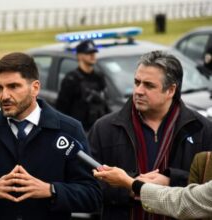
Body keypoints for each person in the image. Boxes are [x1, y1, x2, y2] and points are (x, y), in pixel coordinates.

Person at [0, 52, 102, 220]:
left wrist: (50, 190)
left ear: (35, 88)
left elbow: (93, 195)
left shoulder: (68, 129)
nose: (4, 96)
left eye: (13, 86)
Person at [88, 50, 212, 219]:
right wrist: (132, 187)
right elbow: (88, 186)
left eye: (149, 85)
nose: (139, 91)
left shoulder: (202, 129)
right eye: (136, 82)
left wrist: (171, 182)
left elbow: (207, 188)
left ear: (170, 90)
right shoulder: (105, 128)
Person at [93, 165, 212, 219]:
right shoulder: (102, 127)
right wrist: (129, 183)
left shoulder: (203, 126)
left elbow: (183, 202)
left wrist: (128, 182)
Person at [56, 39, 109, 131]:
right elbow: (62, 108)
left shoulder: (99, 77)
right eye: (89, 53)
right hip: (79, 130)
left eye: (94, 52)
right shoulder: (71, 79)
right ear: (79, 56)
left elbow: (105, 103)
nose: (93, 55)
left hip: (98, 129)